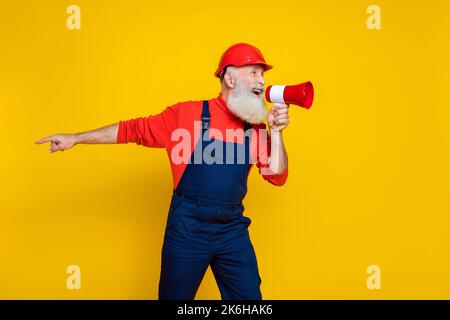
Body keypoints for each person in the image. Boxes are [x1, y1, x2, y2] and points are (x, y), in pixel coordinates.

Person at [36, 43, 290, 300]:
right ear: (230, 77)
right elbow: (132, 130)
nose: (262, 80)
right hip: (187, 227)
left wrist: (276, 133)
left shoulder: (256, 128)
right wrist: (76, 138)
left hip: (231, 229)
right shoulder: (186, 114)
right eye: (255, 72)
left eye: (263, 74)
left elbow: (277, 176)